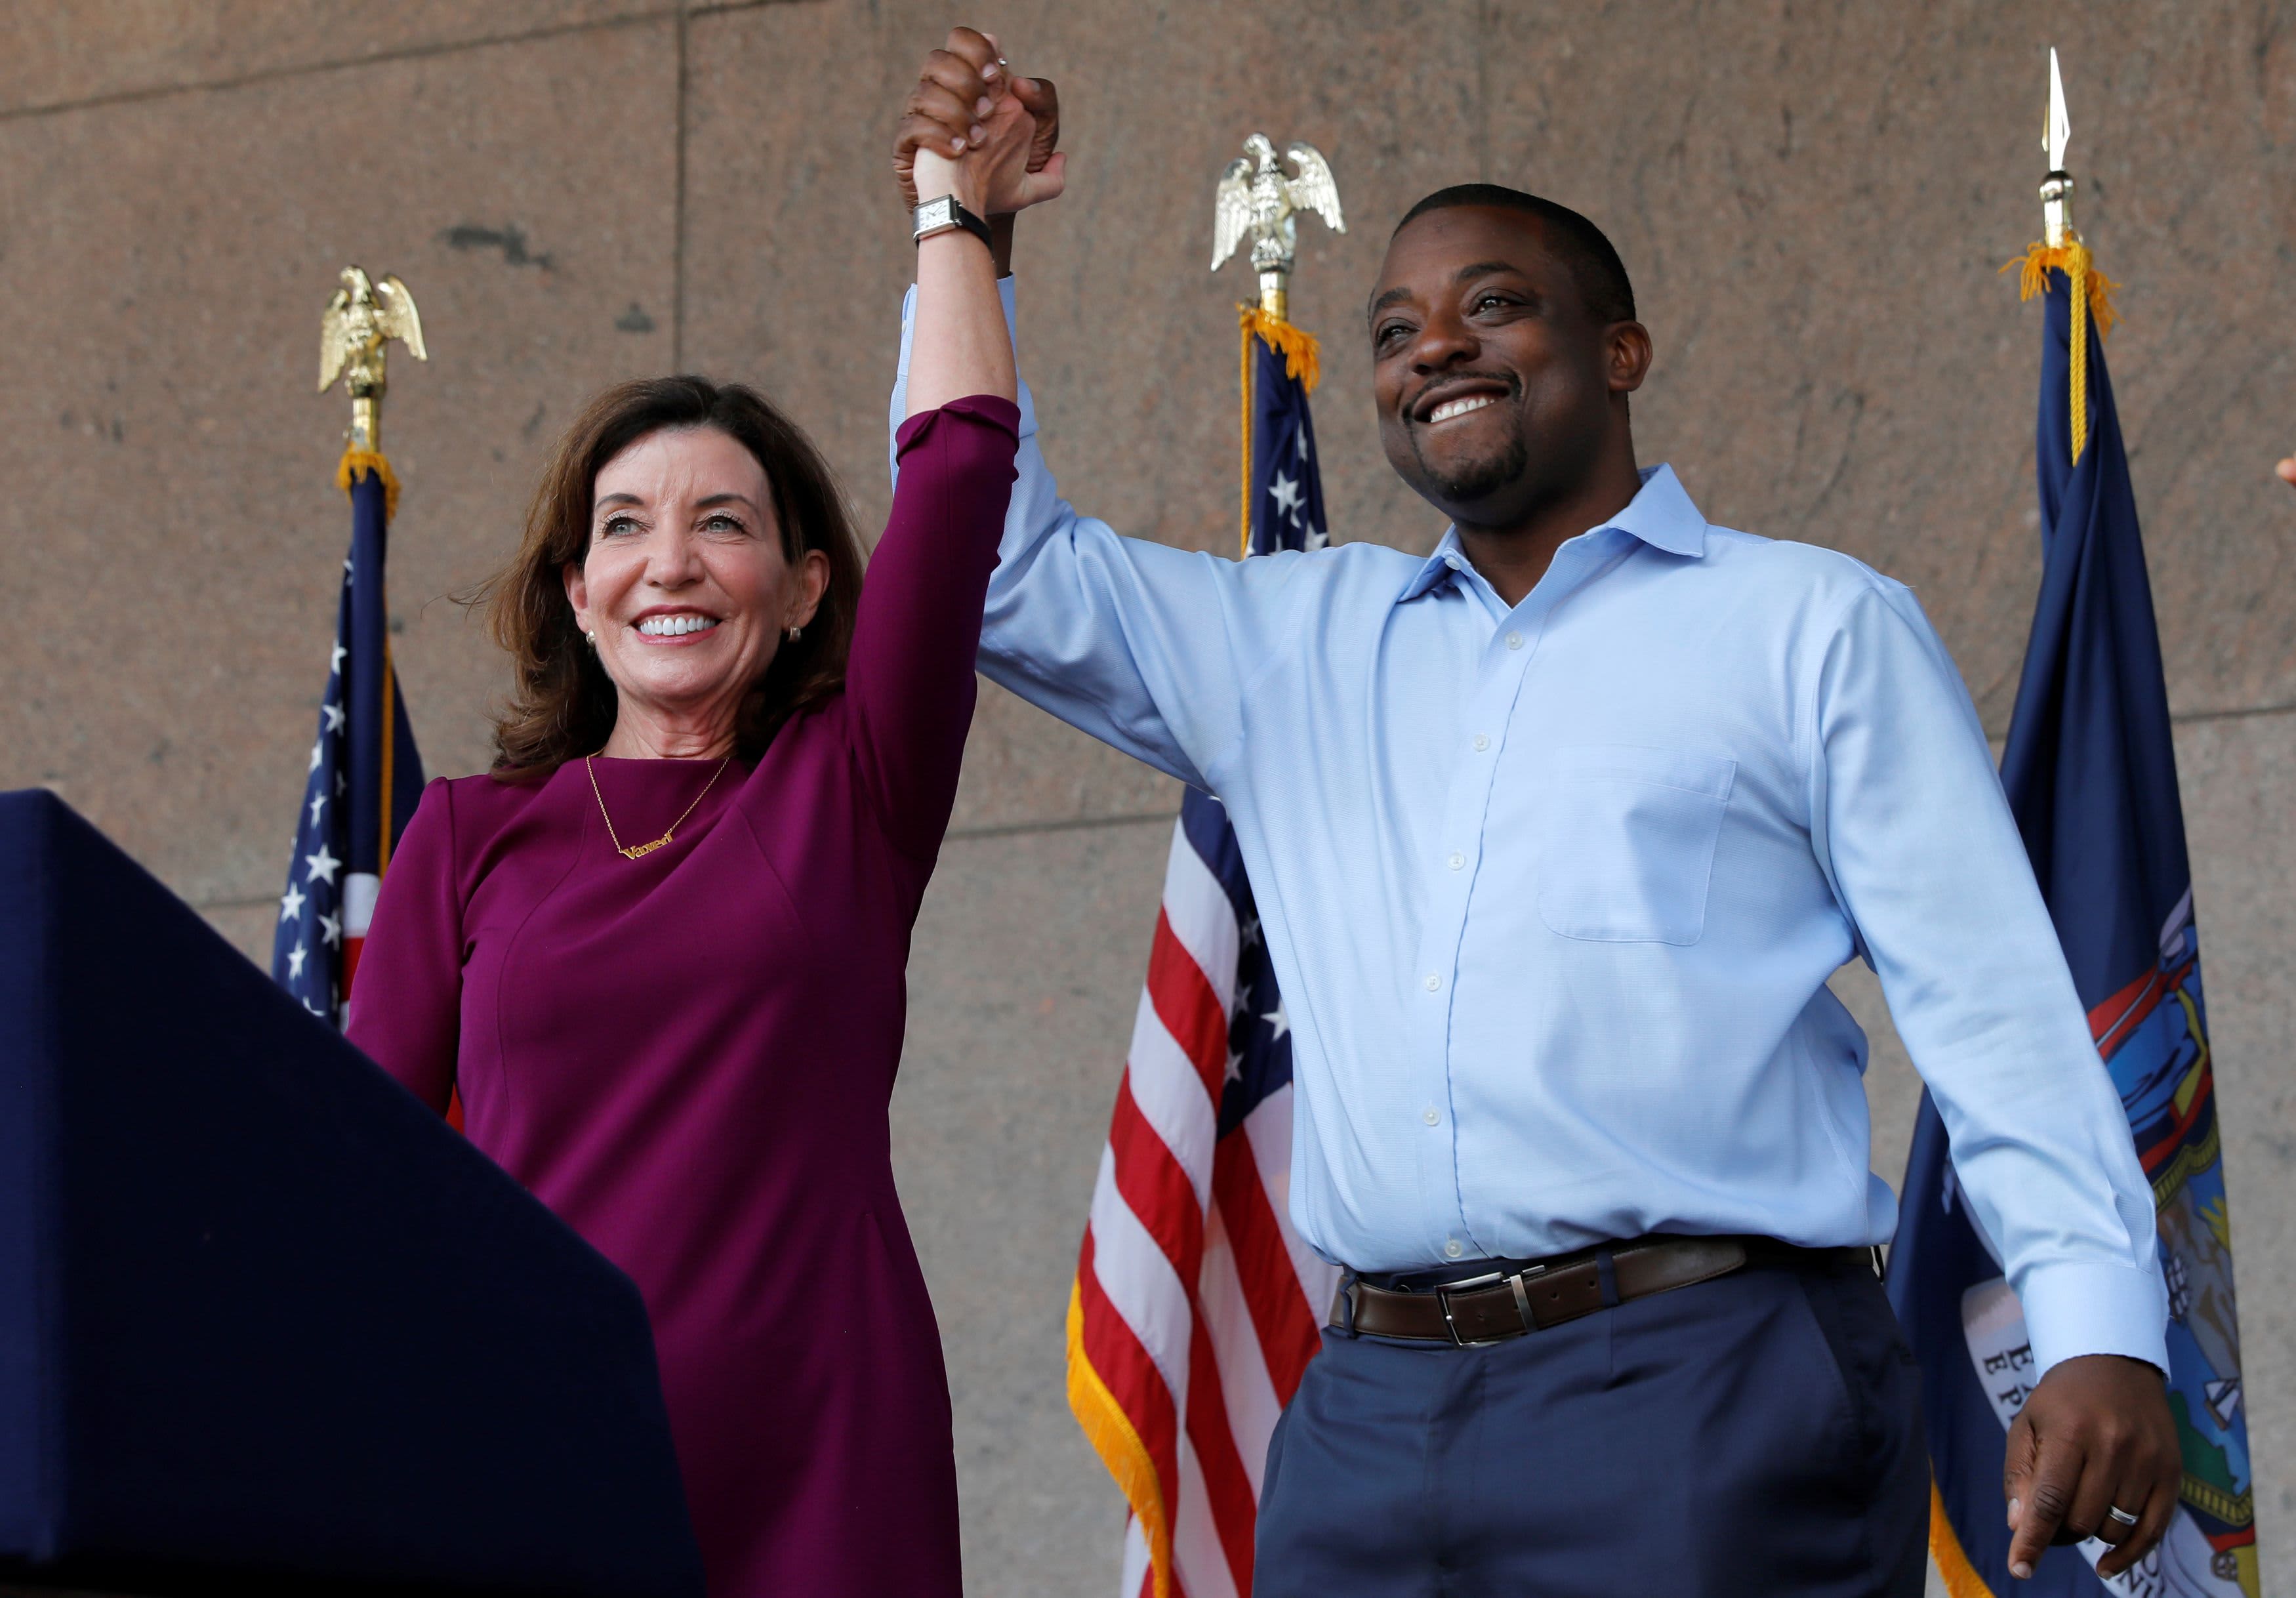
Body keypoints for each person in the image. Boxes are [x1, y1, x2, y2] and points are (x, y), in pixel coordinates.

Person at [892, 31, 2179, 1595]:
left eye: (1490, 305)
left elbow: (1988, 1006)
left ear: (1619, 351)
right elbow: (994, 570)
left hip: (1707, 1388)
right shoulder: (1289, 645)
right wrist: (964, 238)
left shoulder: (1810, 627)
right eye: (1393, 330)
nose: (1434, 348)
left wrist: (2102, 1325)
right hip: (1367, 1409)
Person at [346, 91, 1059, 1597]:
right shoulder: (468, 840)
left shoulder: (850, 790)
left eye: (721, 522)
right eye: (624, 526)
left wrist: (952, 217)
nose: (670, 561)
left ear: (801, 589)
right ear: (578, 588)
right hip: (530, 1452)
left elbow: (957, 470)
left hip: (822, 1463)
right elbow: (361, 1180)